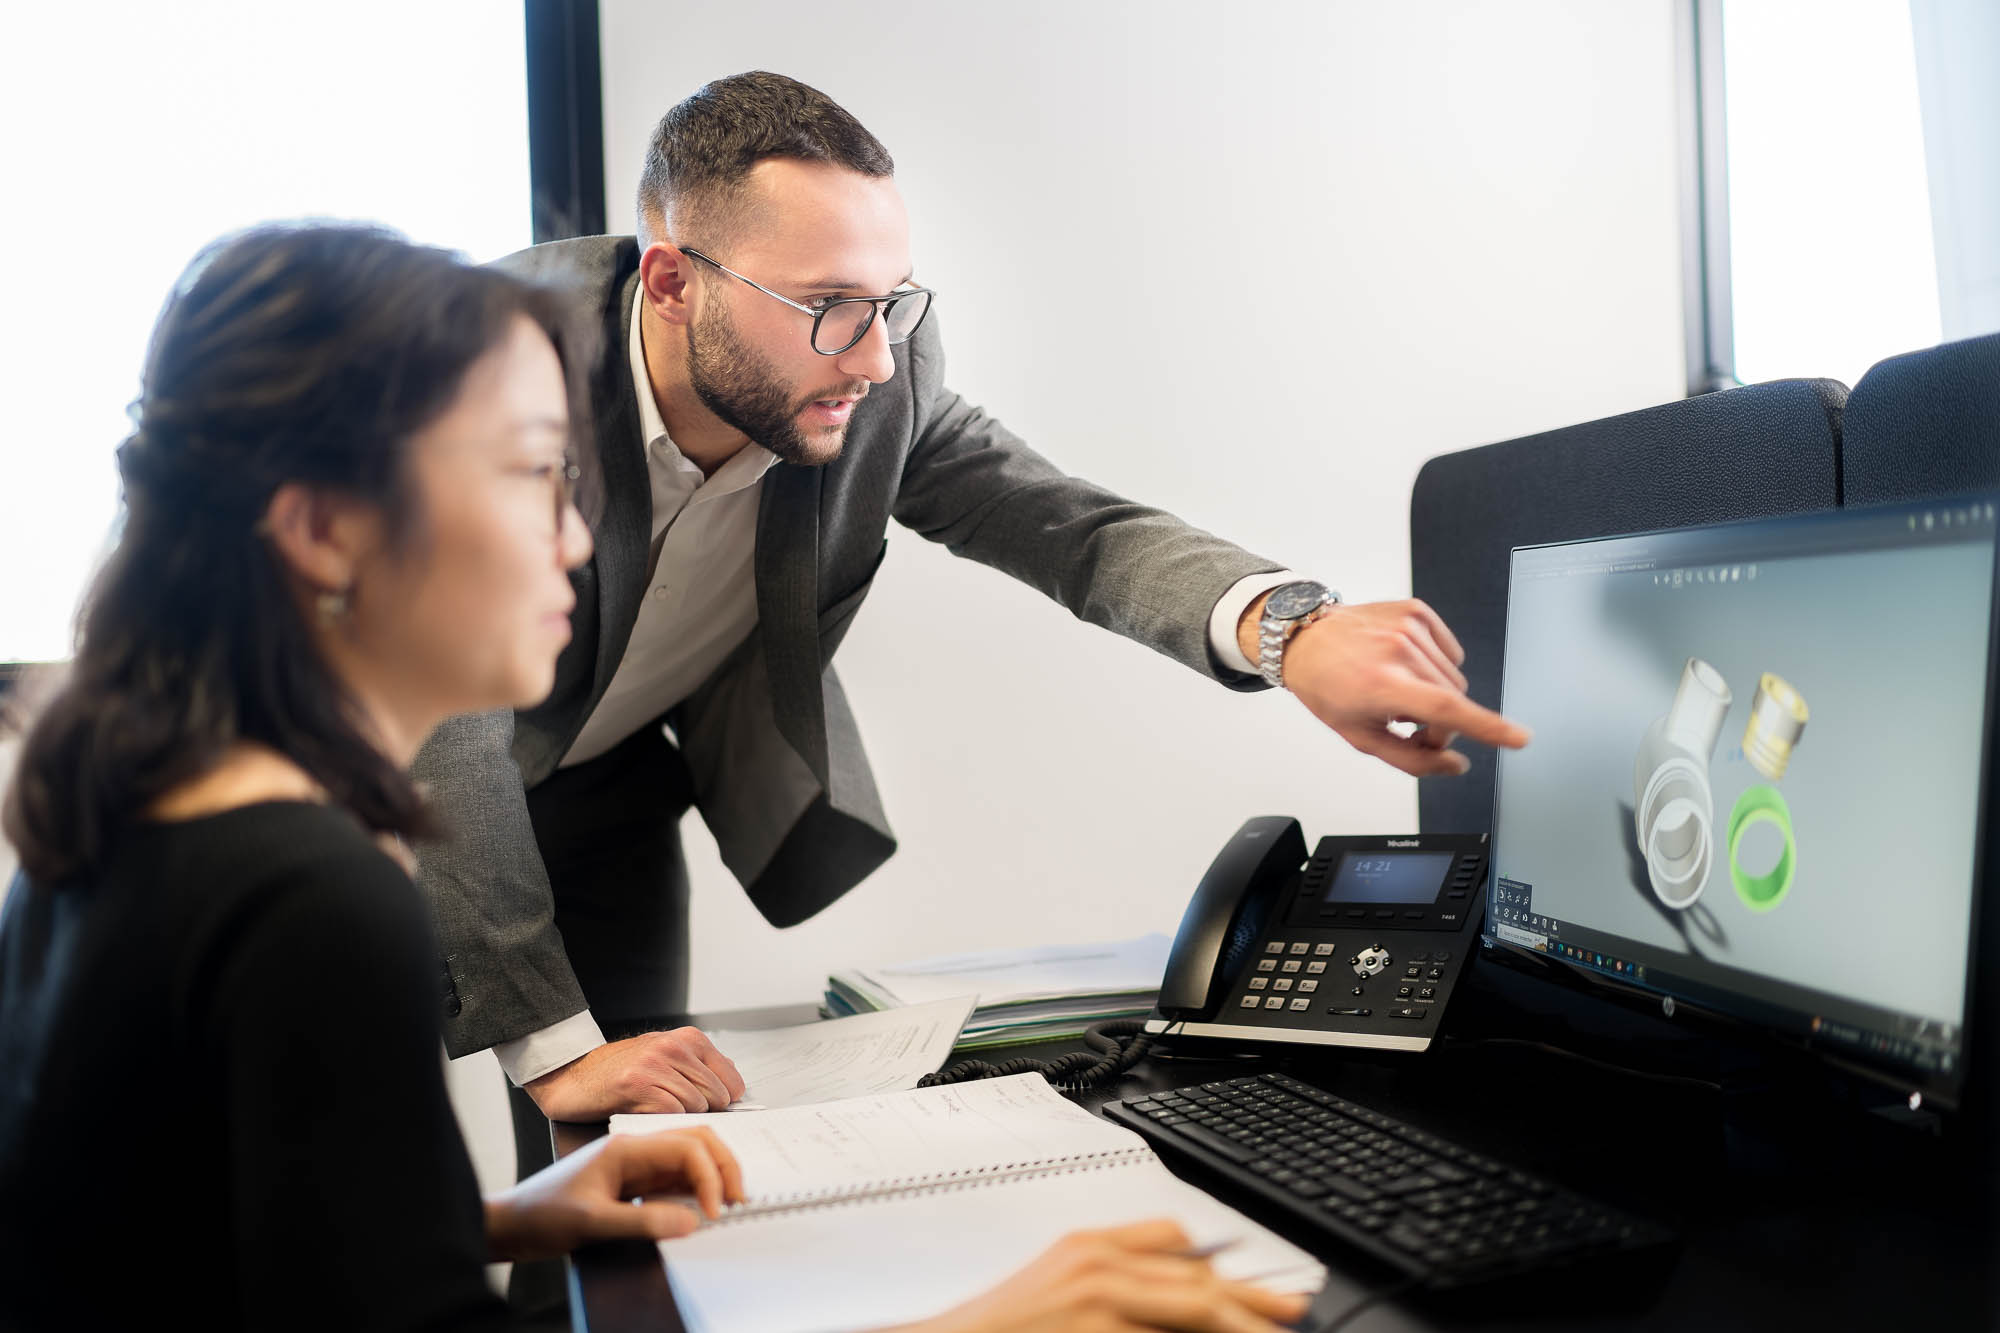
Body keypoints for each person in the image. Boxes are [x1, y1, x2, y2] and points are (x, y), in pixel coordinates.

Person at [0, 224, 1308, 1333]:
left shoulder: (124, 809)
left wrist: (509, 1217)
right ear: (324, 527)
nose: (578, 542)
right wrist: (978, 1320)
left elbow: (228, 1250)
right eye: (534, 478)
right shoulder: (314, 899)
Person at [413, 70, 1531, 1124]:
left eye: (889, 300)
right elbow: (444, 704)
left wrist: (1293, 632)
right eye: (828, 304)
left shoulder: (878, 369)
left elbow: (1066, 526)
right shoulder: (483, 364)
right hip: (389, 785)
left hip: (608, 788)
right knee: (366, 1160)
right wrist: (553, 1047)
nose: (874, 361)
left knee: (638, 1159)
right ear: (669, 282)